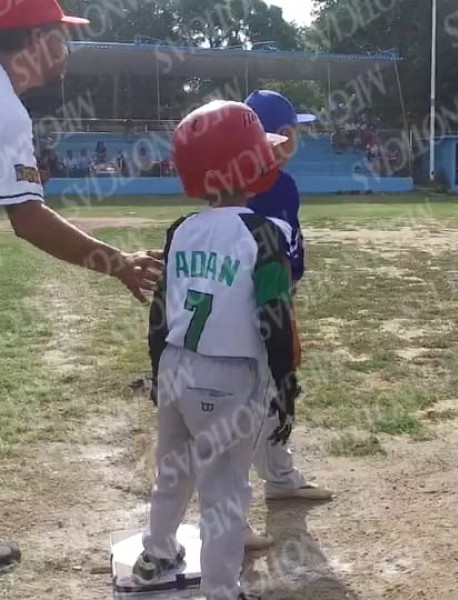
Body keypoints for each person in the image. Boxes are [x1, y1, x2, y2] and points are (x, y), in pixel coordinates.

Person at [0, 0, 162, 570]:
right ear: (37, 42)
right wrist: (118, 262)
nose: (67, 50)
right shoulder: (6, 109)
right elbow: (29, 220)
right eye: (62, 37)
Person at [137, 99, 295, 600]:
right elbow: (275, 317)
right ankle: (222, 590)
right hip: (232, 377)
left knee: (173, 470)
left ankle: (157, 552)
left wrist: (156, 369)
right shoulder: (263, 234)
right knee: (225, 493)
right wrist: (286, 385)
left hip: (176, 366)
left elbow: (160, 312)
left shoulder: (181, 229)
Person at [243, 90, 334, 502]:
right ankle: (241, 497)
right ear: (281, 135)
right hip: (265, 303)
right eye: (294, 130)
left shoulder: (235, 180)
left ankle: (278, 475)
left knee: (272, 389)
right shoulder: (278, 186)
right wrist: (287, 323)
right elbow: (273, 261)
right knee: (264, 390)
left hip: (254, 298)